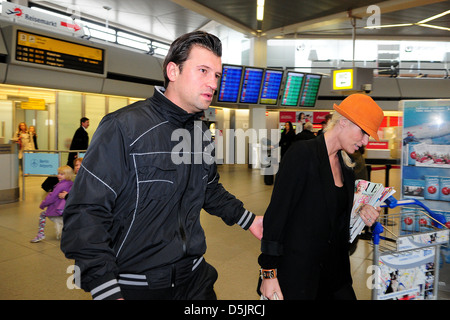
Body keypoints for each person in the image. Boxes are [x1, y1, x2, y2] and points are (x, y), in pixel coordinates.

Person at [61, 31, 263, 300]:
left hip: (195, 280)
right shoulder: (124, 127)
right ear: (173, 71)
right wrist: (105, 289)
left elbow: (209, 189)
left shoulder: (199, 133)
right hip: (138, 286)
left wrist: (249, 220)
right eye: (203, 70)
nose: (212, 83)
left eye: (216, 75)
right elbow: (86, 210)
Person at [258, 93, 384, 300]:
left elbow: (335, 217)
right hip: (299, 275)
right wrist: (268, 273)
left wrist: (361, 212)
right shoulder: (302, 154)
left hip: (335, 274)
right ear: (343, 123)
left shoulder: (347, 167)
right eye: (363, 132)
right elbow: (276, 216)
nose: (366, 141)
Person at [30, 165, 74, 243]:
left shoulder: (60, 185)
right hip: (66, 207)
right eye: (58, 173)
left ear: (67, 175)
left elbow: (51, 197)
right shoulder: (71, 183)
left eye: (61, 174)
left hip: (57, 208)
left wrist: (43, 204)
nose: (58, 175)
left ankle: (40, 234)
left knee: (42, 215)